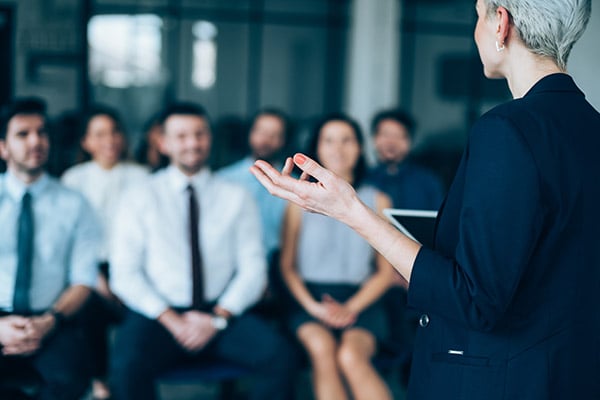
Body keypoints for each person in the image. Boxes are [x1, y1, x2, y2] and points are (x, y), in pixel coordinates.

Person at [250, 1, 600, 399]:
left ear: (501, 23)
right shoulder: (591, 127)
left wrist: (348, 209)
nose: (476, 29)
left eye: (477, 14)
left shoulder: (506, 129)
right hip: (573, 372)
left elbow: (474, 299)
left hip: (501, 380)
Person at [108, 102, 297, 400]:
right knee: (126, 365)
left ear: (210, 138)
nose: (193, 143)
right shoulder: (139, 196)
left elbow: (254, 270)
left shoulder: (237, 197)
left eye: (200, 134)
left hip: (221, 312)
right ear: (163, 143)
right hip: (159, 315)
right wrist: (172, 319)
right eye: (181, 136)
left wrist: (218, 318)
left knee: (281, 357)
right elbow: (125, 274)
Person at [280, 113, 396, 400]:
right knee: (322, 349)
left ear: (359, 148)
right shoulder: (298, 201)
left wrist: (351, 307)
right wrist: (314, 307)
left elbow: (385, 272)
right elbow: (287, 266)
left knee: (350, 356)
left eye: (347, 140)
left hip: (362, 299)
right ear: (317, 148)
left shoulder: (377, 199)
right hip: (310, 300)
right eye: (329, 140)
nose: (338, 148)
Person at [0, 97, 101, 399]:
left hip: (51, 319)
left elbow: (83, 279)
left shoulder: (75, 204)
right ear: (3, 147)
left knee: (70, 377)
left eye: (42, 132)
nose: (36, 141)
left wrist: (48, 322)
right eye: (23, 134)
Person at [61, 104, 149, 400]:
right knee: (87, 312)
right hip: (90, 269)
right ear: (86, 142)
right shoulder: (73, 179)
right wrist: (97, 279)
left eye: (114, 132)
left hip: (136, 266)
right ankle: (100, 382)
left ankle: (132, 382)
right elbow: (70, 241)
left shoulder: (143, 176)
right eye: (99, 134)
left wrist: (128, 280)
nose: (109, 140)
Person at [218, 108, 290, 261]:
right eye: (261, 132)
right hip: (232, 264)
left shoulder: (296, 185)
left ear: (283, 140)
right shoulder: (223, 179)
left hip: (279, 265)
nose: (266, 140)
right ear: (250, 133)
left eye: (274, 135)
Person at [367, 108, 444, 211]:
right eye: (385, 134)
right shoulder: (364, 179)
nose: (391, 142)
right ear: (374, 139)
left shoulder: (428, 182)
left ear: (410, 142)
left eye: (398, 135)